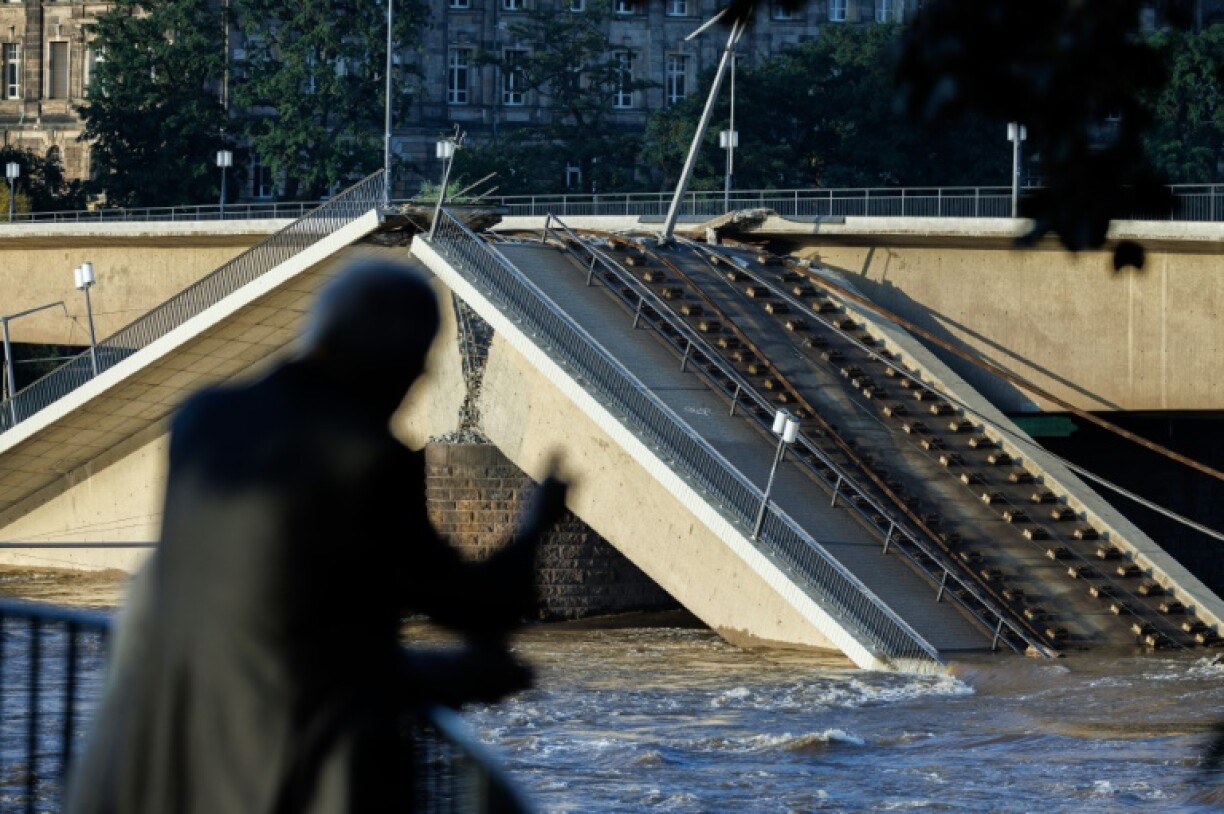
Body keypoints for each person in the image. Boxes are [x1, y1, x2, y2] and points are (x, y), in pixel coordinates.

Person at [66, 258, 565, 813]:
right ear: (389, 363)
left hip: (171, 769)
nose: (413, 385)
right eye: (414, 369)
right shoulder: (364, 459)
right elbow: (471, 607)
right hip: (298, 779)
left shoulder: (203, 420)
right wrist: (536, 526)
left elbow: (275, 638)